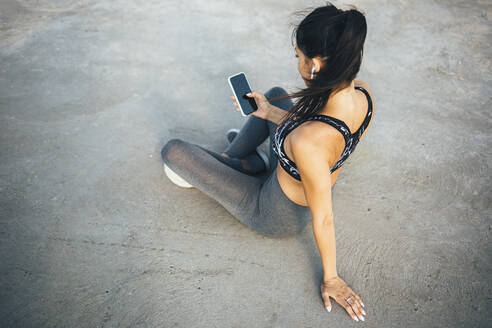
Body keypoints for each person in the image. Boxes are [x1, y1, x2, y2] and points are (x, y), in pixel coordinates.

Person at [161, 1, 374, 323]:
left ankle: (238, 165)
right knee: (274, 94)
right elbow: (318, 134)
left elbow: (325, 216)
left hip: (273, 213)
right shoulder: (362, 94)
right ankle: (239, 162)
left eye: (299, 57)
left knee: (174, 151)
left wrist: (332, 278)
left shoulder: (307, 141)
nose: (298, 63)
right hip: (291, 168)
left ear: (316, 64)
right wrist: (269, 112)